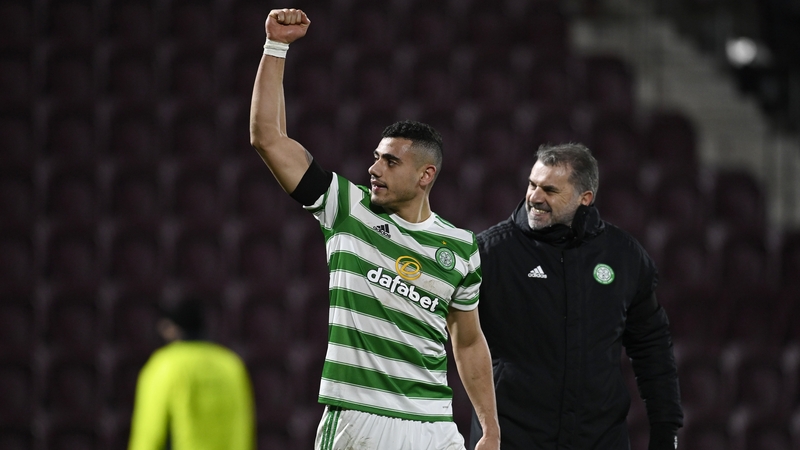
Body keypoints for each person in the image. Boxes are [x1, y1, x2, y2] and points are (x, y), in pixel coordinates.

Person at [249, 8, 500, 450]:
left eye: (390, 161)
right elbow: (267, 137)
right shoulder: (346, 207)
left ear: (425, 176)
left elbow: (468, 339)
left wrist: (489, 426)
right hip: (360, 421)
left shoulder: (461, 247)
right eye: (376, 157)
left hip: (435, 426)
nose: (373, 169)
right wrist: (276, 47)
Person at [469, 143, 683, 450]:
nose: (535, 197)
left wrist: (665, 427)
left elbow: (653, 347)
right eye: (532, 185)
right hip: (513, 438)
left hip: (599, 439)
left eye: (550, 190)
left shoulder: (624, 256)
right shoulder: (490, 253)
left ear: (585, 198)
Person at [128, 298, 255, 450]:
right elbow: (243, 429)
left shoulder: (165, 365)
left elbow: (149, 432)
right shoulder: (231, 365)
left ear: (171, 329)